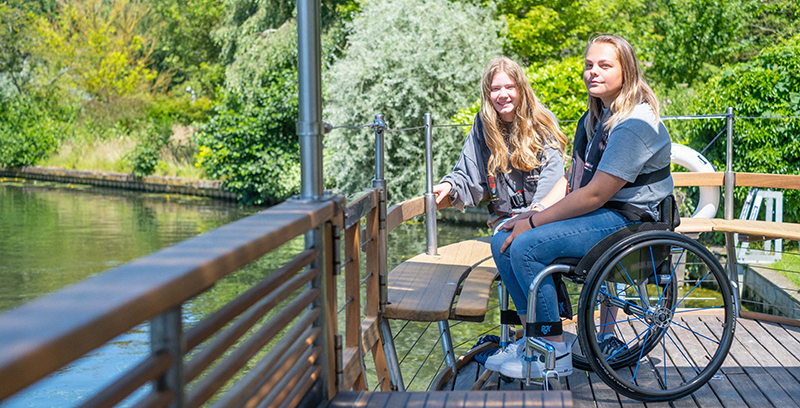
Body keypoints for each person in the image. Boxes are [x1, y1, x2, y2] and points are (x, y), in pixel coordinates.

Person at [487, 35, 674, 379]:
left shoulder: (633, 124)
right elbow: (573, 183)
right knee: (503, 237)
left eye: (605, 65)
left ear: (626, 71)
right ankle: (534, 340)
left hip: (633, 222)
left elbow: (595, 195)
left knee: (526, 246)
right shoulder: (596, 118)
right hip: (604, 215)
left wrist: (535, 223)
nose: (593, 72)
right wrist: (533, 211)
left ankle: (553, 350)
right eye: (589, 65)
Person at [433, 57, 567, 234]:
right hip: (505, 220)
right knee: (505, 245)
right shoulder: (483, 126)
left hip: (543, 215)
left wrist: (534, 216)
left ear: (521, 89)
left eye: (510, 87)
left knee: (527, 244)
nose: (503, 94)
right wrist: (451, 185)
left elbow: (553, 174)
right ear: (487, 93)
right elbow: (469, 172)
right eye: (495, 89)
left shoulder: (543, 121)